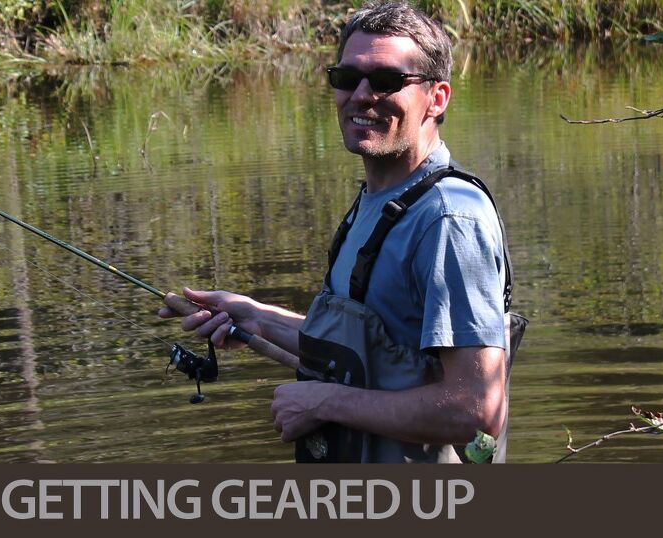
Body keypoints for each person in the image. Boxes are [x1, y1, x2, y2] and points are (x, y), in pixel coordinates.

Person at [160, 0, 509, 463]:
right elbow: (372, 354)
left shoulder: (450, 221)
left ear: (437, 98)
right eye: (347, 79)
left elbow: (476, 410)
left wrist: (324, 402)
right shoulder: (379, 201)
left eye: (386, 81)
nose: (361, 95)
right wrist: (256, 318)